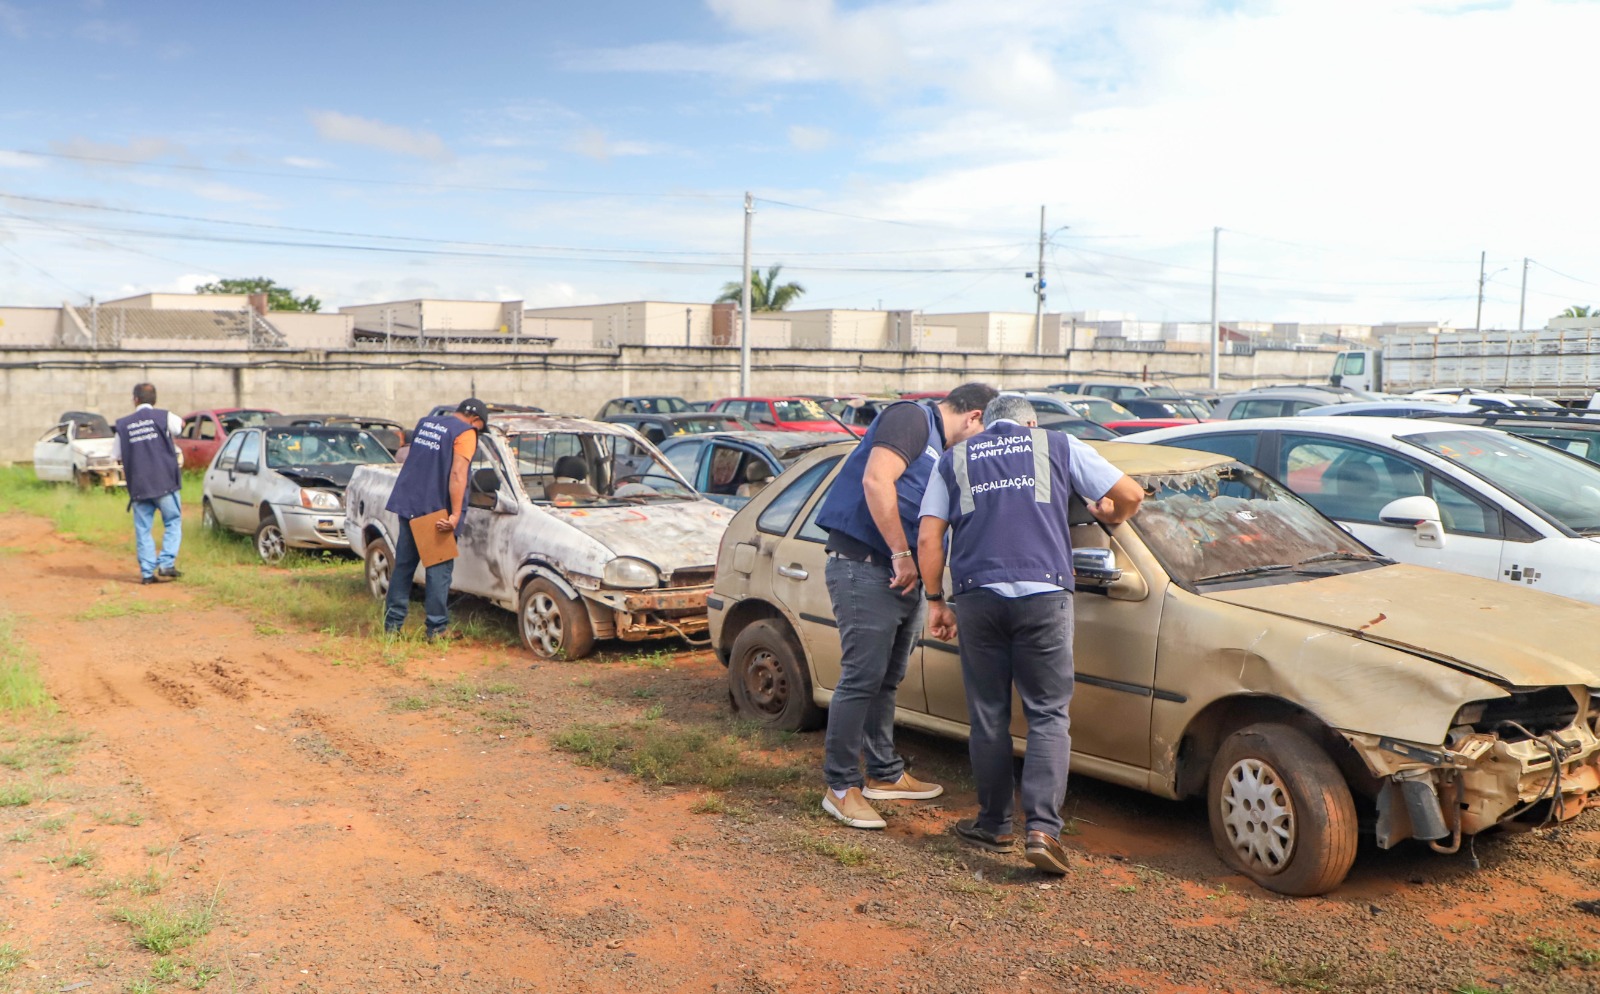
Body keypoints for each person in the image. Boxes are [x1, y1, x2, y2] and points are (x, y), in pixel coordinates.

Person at [916, 395, 1144, 874]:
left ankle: (994, 823)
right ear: (1031, 423)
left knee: (988, 715)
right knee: (1047, 714)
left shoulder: (956, 458)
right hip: (1045, 593)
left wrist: (936, 601)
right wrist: (1109, 514)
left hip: (978, 596)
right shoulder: (1058, 445)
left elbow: (928, 537)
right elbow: (1131, 495)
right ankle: (1042, 831)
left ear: (987, 424)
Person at [810, 382, 1000, 829]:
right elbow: (876, 479)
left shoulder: (942, 449)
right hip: (866, 565)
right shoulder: (912, 418)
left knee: (886, 678)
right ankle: (840, 787)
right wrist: (900, 552)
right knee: (861, 678)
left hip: (902, 577)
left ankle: (884, 773)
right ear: (974, 417)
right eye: (985, 431)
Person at [383, 398, 487, 641]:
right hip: (434, 510)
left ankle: (392, 627)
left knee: (404, 567)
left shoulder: (426, 423)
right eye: (481, 427)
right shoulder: (467, 432)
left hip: (409, 502)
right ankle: (437, 629)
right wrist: (455, 514)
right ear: (476, 420)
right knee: (438, 571)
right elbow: (458, 475)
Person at [111, 383, 185, 585]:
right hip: (165, 483)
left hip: (139, 486)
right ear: (155, 400)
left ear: (135, 399)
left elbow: (115, 455)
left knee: (143, 528)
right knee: (172, 521)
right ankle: (166, 564)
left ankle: (146, 574)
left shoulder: (123, 425)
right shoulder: (164, 417)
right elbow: (180, 426)